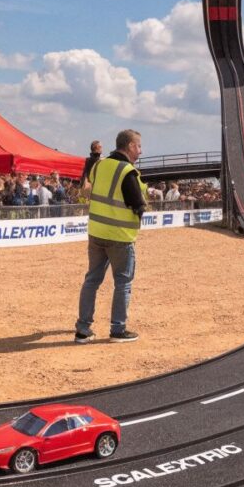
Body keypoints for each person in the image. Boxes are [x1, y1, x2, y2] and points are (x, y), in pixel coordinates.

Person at [75, 127, 147, 343]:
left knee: (91, 280)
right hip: (120, 237)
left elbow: (94, 190)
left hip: (96, 233)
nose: (141, 152)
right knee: (123, 283)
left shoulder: (100, 165)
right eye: (139, 146)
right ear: (131, 146)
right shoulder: (127, 171)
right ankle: (118, 329)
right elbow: (138, 205)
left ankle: (83, 329)